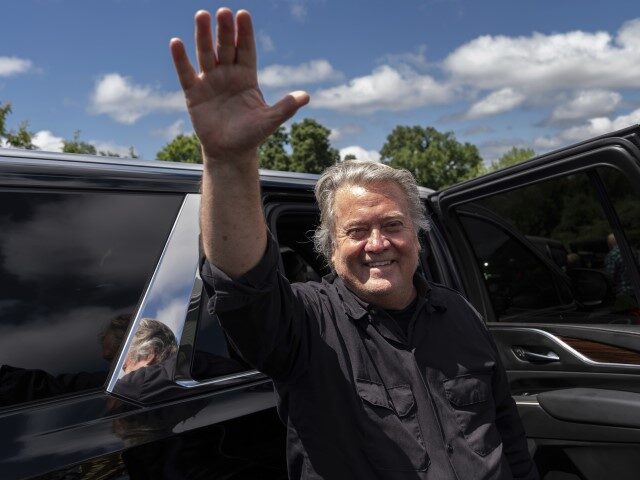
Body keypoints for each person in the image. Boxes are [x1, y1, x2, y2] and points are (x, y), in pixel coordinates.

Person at [170, 7, 538, 479]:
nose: (377, 243)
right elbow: (243, 284)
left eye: (392, 225)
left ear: (417, 233)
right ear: (329, 245)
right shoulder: (304, 324)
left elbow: (507, 433)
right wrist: (228, 162)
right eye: (357, 231)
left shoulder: (461, 315)